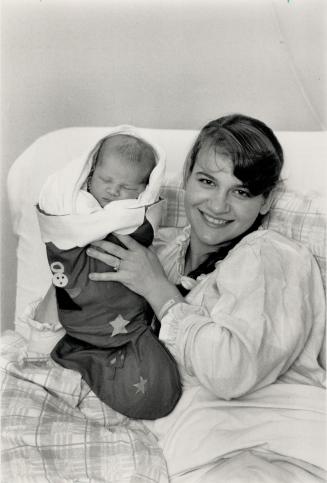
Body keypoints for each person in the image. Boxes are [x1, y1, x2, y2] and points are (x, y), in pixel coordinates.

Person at [84, 114, 326, 480]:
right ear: (186, 180)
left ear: (266, 201)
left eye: (241, 191)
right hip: (194, 458)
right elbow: (66, 328)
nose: (218, 205)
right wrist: (74, 247)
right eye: (207, 181)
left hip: (273, 450)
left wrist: (159, 293)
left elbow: (231, 372)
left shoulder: (269, 256)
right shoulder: (156, 253)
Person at [35, 126, 182, 420]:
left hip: (122, 321)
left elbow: (144, 220)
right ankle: (74, 351)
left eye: (128, 188)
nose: (114, 191)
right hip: (76, 309)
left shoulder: (135, 214)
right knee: (38, 349)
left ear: (145, 189)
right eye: (105, 179)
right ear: (89, 174)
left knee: (156, 386)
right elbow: (55, 213)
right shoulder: (76, 203)